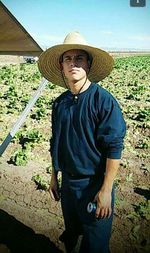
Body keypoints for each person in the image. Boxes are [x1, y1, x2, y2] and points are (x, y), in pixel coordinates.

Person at [38, 31, 126, 253]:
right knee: (72, 236)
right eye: (68, 59)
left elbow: (114, 147)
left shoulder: (103, 101)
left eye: (79, 58)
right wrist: (54, 177)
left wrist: (105, 190)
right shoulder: (60, 104)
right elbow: (55, 142)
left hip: (94, 185)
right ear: (61, 66)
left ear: (88, 64)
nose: (73, 64)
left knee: (95, 244)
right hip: (68, 185)